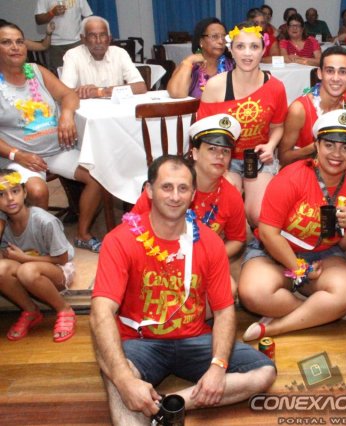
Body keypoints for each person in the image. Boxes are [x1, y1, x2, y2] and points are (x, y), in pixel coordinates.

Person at [90, 155, 276, 424]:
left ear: (193, 194)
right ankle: (139, 394)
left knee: (264, 372)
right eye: (166, 187)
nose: (175, 196)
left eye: (183, 188)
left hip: (194, 338)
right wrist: (123, 379)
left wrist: (218, 367)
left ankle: (170, 404)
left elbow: (224, 312)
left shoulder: (209, 241)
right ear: (149, 190)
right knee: (117, 376)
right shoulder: (119, 240)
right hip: (140, 342)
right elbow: (100, 312)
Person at [239, 110, 346, 342]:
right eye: (329, 145)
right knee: (253, 294)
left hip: (324, 255)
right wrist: (301, 269)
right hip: (274, 253)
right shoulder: (292, 176)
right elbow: (268, 233)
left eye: (345, 148)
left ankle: (274, 328)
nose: (336, 154)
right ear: (316, 145)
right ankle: (320, 310)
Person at [0, 21, 103, 253]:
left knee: (99, 175)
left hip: (57, 150)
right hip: (20, 157)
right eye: (6, 42)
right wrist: (17, 155)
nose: (15, 47)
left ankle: (83, 234)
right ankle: (41, 247)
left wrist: (66, 114)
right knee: (38, 191)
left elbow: (69, 95)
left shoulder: (36, 72)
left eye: (19, 41)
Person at [130, 114, 246, 296]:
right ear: (195, 153)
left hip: (200, 261)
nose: (219, 156)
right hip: (156, 258)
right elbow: (132, 227)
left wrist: (209, 257)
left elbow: (237, 240)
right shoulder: (168, 187)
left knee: (228, 290)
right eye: (212, 149)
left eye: (226, 151)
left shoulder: (231, 196)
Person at [198, 23, 287, 227]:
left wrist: (271, 145)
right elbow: (203, 134)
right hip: (224, 159)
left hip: (259, 159)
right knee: (226, 212)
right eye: (240, 46)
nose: (247, 53)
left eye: (254, 47)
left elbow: (278, 126)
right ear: (231, 49)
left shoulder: (276, 87)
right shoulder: (215, 86)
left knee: (258, 216)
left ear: (263, 50)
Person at [279, 46, 346, 195]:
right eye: (330, 71)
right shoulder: (300, 109)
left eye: (342, 72)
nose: (336, 78)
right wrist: (316, 146)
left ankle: (341, 207)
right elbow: (283, 158)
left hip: (339, 169)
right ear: (320, 73)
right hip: (305, 171)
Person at [0, 169, 76, 342]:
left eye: (15, 191)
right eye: (1, 194)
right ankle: (31, 311)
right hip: (25, 270)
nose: (10, 198)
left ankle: (64, 309)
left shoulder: (45, 221)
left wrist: (24, 259)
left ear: (25, 192)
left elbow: (62, 259)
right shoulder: (4, 224)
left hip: (58, 269)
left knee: (27, 271)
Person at [60, 16, 146, 99]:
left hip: (117, 106)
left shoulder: (120, 53)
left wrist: (99, 92)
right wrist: (105, 92)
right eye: (92, 36)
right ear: (83, 39)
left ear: (109, 38)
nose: (98, 41)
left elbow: (140, 86)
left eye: (102, 35)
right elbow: (63, 93)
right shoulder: (73, 55)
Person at [167, 18, 233, 99]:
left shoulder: (232, 66)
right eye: (214, 36)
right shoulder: (190, 67)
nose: (221, 41)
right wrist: (189, 60)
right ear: (201, 41)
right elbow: (176, 94)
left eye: (224, 37)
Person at [34, 0, 93, 71]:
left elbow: (88, 16)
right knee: (57, 75)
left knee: (81, 72)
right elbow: (38, 19)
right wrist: (52, 13)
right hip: (54, 45)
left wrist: (88, 38)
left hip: (76, 42)